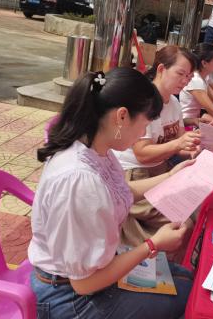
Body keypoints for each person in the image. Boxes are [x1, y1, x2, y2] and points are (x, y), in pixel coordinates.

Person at [30, 68, 193, 318]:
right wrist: (152, 244)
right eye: (144, 125)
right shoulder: (80, 180)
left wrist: (172, 176)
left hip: (88, 274)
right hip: (68, 298)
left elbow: (121, 190)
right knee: (188, 296)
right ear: (122, 116)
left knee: (187, 279)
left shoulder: (95, 149)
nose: (142, 135)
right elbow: (84, 284)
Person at [114, 45, 201, 248]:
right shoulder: (144, 102)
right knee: (183, 221)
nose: (185, 81)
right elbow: (142, 154)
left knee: (198, 205)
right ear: (161, 69)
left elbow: (179, 141)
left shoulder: (174, 103)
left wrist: (192, 148)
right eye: (180, 74)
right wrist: (178, 144)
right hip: (136, 174)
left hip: (160, 170)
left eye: (189, 77)